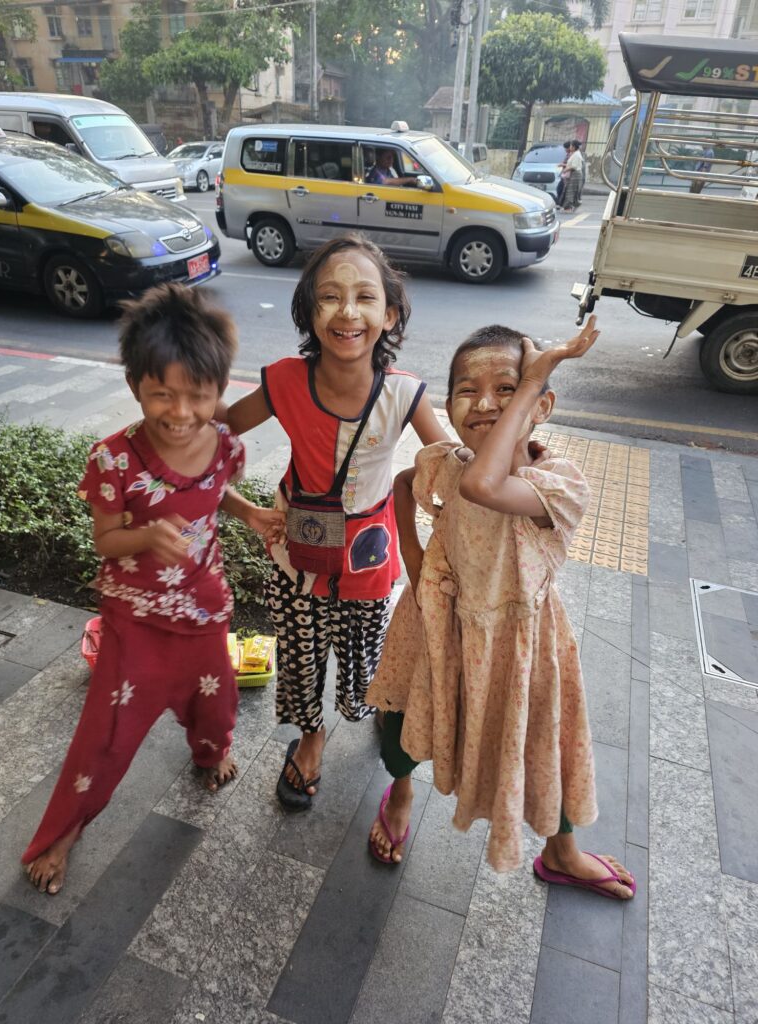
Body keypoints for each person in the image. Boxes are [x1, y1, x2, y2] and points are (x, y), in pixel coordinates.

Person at [22, 283, 285, 895]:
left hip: (205, 610)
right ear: (135, 385)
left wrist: (251, 516)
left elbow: (215, 493)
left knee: (215, 705)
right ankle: (63, 832)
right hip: (135, 623)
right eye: (161, 394)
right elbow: (106, 541)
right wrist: (146, 537)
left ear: (219, 391)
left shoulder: (225, 445)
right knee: (108, 736)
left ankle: (211, 753)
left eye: (197, 395)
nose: (180, 411)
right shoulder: (113, 461)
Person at [366, 317, 637, 900]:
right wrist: (418, 573)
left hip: (521, 645)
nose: (484, 402)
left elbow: (486, 487)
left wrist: (536, 381)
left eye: (507, 388)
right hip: (437, 626)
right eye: (467, 389)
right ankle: (401, 793)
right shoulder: (447, 463)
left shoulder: (556, 484)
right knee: (400, 725)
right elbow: (401, 490)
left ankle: (561, 851)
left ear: (541, 405)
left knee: (545, 741)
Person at [222, 233, 446, 810]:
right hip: (294, 555)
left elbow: (454, 472)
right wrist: (242, 509)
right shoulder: (284, 381)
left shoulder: (405, 395)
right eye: (330, 297)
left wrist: (515, 456)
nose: (348, 312)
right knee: (298, 655)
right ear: (309, 311)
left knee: (362, 660)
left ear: (389, 313)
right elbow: (204, 440)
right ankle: (311, 736)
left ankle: (359, 708)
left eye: (365, 297)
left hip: (369, 561)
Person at [561, 140, 584, 212]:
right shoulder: (574, 154)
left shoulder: (577, 155)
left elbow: (574, 166)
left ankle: (568, 207)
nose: (569, 147)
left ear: (574, 147)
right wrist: (564, 165)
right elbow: (571, 164)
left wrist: (565, 170)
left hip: (575, 174)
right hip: (573, 173)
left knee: (571, 191)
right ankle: (568, 207)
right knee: (569, 190)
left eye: (571, 146)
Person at [555, 140, 571, 208]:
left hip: (567, 175)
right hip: (564, 174)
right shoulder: (568, 154)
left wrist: (563, 164)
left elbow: (571, 164)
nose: (565, 149)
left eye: (566, 148)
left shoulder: (572, 155)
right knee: (560, 189)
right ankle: (560, 203)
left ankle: (561, 204)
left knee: (561, 189)